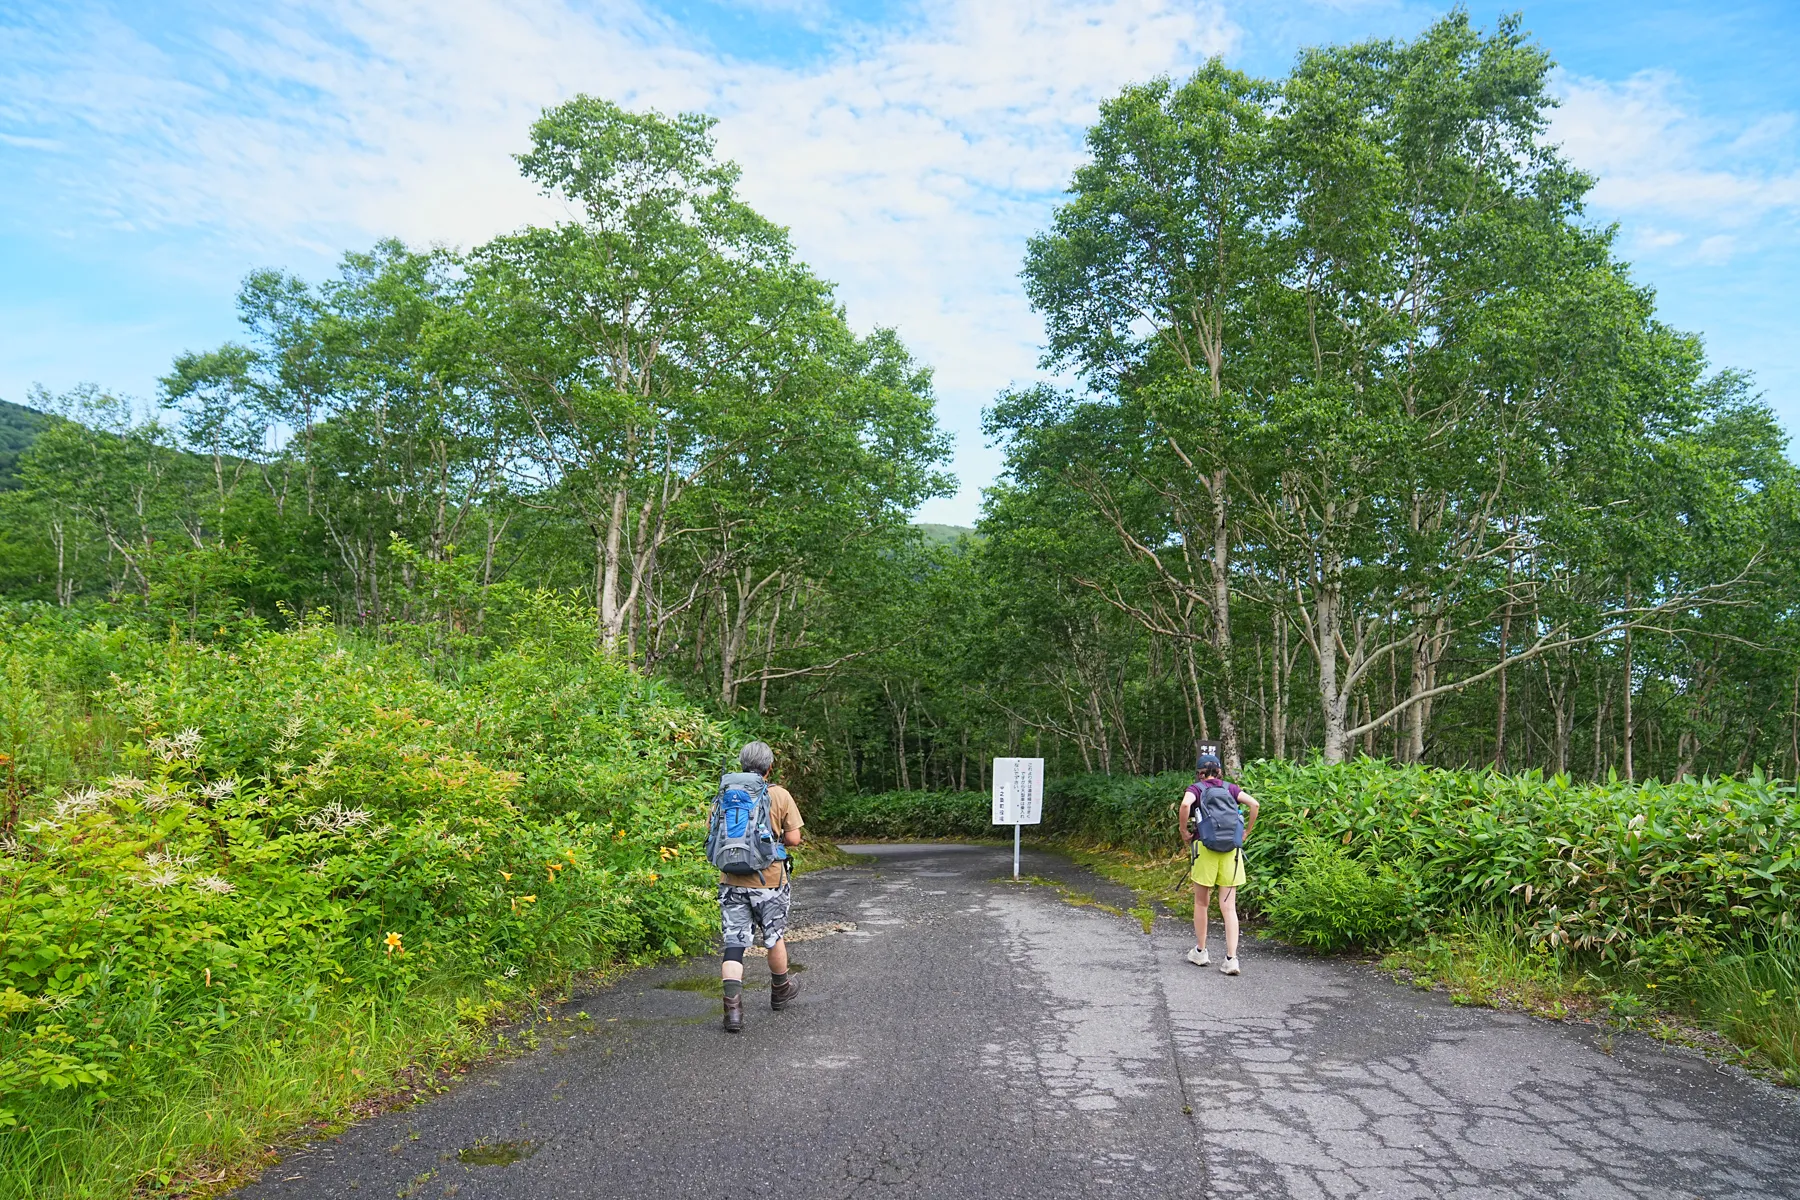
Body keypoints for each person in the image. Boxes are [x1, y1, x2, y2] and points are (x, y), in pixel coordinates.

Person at [712, 740, 804, 1033]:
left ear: (741, 765)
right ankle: (780, 990)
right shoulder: (779, 795)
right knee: (774, 936)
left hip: (731, 880)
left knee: (735, 944)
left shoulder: (725, 794)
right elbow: (793, 840)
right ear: (770, 767)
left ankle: (733, 1012)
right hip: (770, 881)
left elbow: (713, 834)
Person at [1179, 751, 1259, 976]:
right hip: (1230, 852)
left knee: (1202, 903)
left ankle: (1201, 951)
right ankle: (1231, 959)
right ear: (1220, 771)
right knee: (1229, 907)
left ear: (1200, 773)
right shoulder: (1231, 788)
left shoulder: (1196, 789)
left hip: (1204, 849)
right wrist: (1246, 832)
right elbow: (1255, 804)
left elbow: (1186, 806)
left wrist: (1184, 830)